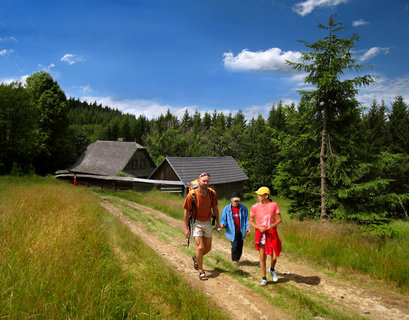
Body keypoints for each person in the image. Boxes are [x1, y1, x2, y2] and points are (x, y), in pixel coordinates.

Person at [184, 173, 220, 281]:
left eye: (207, 181)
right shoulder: (191, 195)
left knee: (207, 248)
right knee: (200, 247)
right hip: (196, 222)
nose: (205, 183)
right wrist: (186, 228)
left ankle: (196, 258)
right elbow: (186, 212)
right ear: (198, 181)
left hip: (207, 222)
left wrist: (218, 222)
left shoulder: (212, 194)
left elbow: (215, 208)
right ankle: (201, 271)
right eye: (203, 181)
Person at [249, 186, 282, 286]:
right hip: (261, 233)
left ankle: (272, 269)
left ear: (266, 196)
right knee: (262, 256)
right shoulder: (255, 206)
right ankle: (264, 278)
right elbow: (250, 221)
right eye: (258, 194)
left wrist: (272, 225)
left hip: (271, 232)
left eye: (260, 195)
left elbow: (280, 219)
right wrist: (258, 227)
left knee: (274, 256)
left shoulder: (274, 205)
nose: (258, 196)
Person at [220, 192, 250, 268]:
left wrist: (248, 227)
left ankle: (237, 260)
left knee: (240, 247)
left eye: (238, 201)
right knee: (235, 246)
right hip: (232, 231)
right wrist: (223, 224)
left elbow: (246, 219)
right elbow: (223, 219)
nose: (236, 203)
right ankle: (234, 261)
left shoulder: (243, 208)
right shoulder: (227, 209)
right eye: (235, 201)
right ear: (231, 200)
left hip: (241, 231)